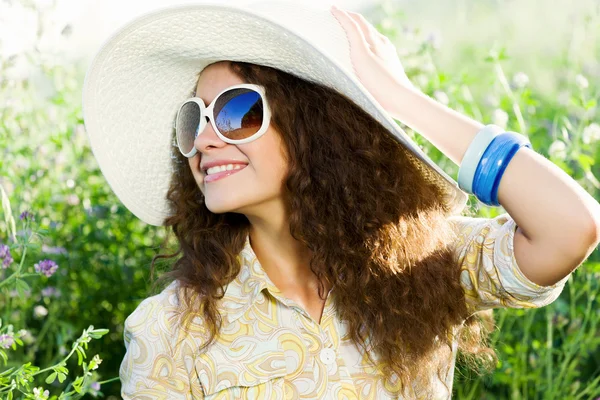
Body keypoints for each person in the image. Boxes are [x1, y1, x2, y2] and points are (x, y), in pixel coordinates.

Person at [81, 1, 600, 399]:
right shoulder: (170, 330)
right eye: (193, 120)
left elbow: (571, 227)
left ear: (312, 126)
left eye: (238, 111)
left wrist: (398, 101)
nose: (206, 139)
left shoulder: (425, 261)